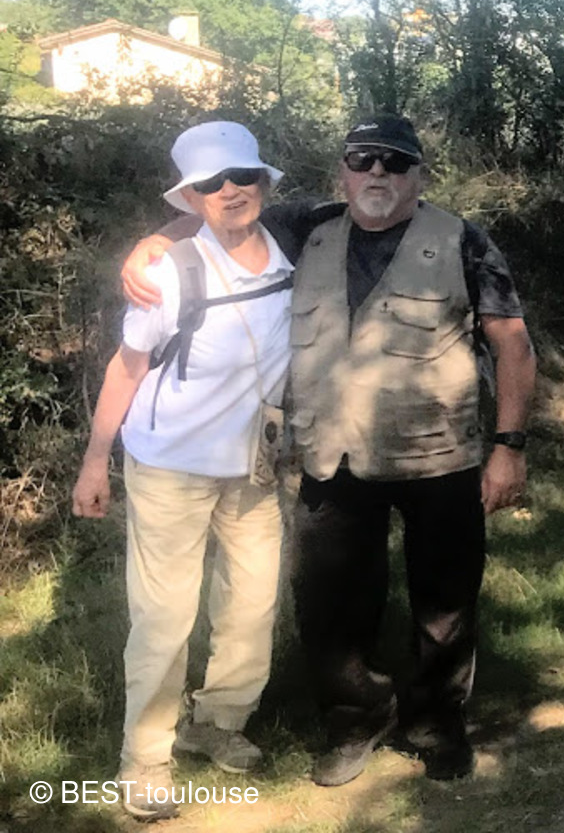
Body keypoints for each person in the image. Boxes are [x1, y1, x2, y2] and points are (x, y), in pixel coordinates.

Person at [124, 114, 536, 786]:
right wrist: (154, 242)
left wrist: (509, 447)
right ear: (341, 171)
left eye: (394, 161)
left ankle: (436, 726)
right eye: (362, 158)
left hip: (440, 458)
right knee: (329, 607)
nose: (377, 172)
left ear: (419, 174)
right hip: (330, 457)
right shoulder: (304, 227)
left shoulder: (464, 240)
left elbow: (512, 344)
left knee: (445, 605)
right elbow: (219, 214)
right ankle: (356, 720)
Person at [75, 122, 292, 820]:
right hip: (169, 467)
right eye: (210, 182)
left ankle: (218, 722)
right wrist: (94, 462)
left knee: (252, 604)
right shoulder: (169, 271)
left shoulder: (295, 251)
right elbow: (127, 367)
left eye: (242, 175)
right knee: (165, 617)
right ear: (191, 198)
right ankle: (144, 761)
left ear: (264, 183)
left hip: (254, 468)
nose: (230, 190)